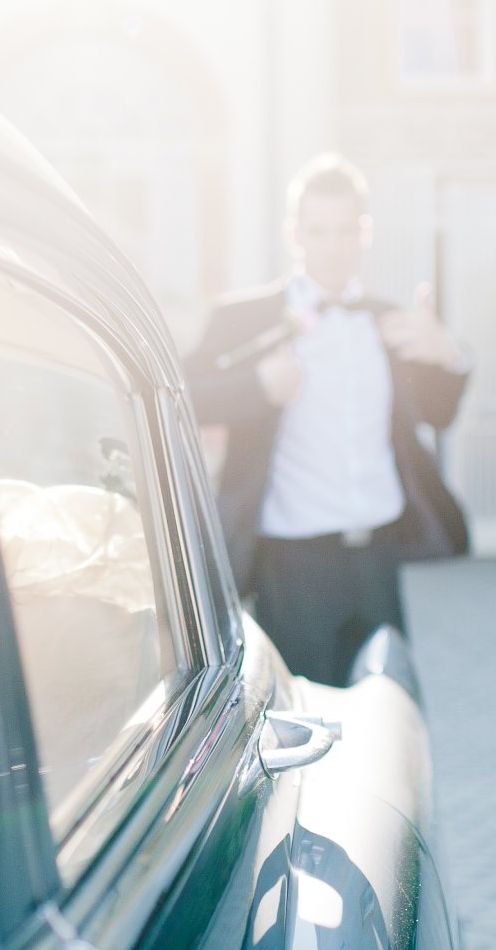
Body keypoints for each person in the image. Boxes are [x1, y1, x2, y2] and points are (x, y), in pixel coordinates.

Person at [185, 154, 471, 684]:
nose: (333, 247)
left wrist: (447, 354)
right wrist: (257, 388)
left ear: (364, 233)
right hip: (290, 563)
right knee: (304, 727)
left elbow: (440, 413)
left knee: (385, 710)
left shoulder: (393, 320)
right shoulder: (243, 318)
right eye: (318, 231)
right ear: (295, 235)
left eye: (345, 231)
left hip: (377, 559)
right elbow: (184, 396)